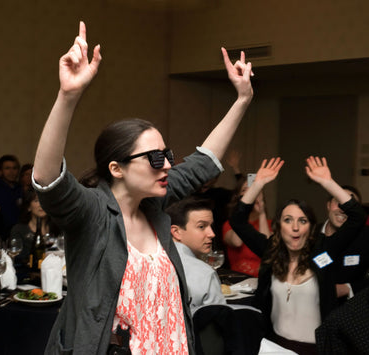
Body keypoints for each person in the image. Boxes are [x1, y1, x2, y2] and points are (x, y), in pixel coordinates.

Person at [32, 21, 253, 354]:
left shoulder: (153, 205)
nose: (166, 165)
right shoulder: (93, 213)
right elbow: (49, 181)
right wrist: (68, 96)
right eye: (153, 158)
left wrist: (242, 99)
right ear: (116, 168)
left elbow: (203, 163)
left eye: (166, 155)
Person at [229, 157, 366, 353]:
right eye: (288, 220)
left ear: (310, 228)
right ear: (278, 227)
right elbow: (237, 220)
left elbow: (358, 217)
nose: (295, 227)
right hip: (273, 347)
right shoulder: (271, 251)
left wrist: (328, 182)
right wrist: (257, 184)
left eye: (302, 221)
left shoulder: (324, 251)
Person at [166, 197, 227, 314]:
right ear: (176, 232)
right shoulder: (204, 273)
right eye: (201, 227)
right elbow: (218, 323)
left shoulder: (149, 260)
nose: (212, 234)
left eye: (211, 226)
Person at [222, 177, 269, 277]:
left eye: (254, 190)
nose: (251, 194)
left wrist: (261, 213)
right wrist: (244, 208)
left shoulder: (270, 223)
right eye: (245, 190)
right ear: (239, 197)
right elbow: (237, 242)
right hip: (239, 281)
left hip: (263, 279)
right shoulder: (229, 224)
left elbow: (267, 249)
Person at [9, 188, 60, 266]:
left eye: (44, 200)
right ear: (28, 207)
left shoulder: (57, 228)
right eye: (36, 201)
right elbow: (17, 258)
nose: (41, 204)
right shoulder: (19, 230)